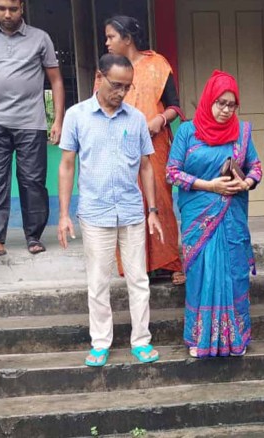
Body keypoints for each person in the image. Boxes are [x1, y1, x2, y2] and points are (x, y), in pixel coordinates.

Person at [57, 53, 162, 366]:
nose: (121, 92)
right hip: (95, 213)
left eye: (127, 87)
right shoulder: (77, 117)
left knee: (138, 280)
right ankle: (100, 343)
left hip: (131, 212)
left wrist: (153, 209)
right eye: (116, 85)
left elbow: (146, 167)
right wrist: (63, 214)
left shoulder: (136, 119)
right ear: (99, 78)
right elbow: (66, 165)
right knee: (99, 282)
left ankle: (141, 341)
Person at [166, 70, 262, 358]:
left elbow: (256, 167)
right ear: (208, 100)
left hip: (231, 217)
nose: (225, 110)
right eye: (220, 103)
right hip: (199, 218)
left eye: (231, 105)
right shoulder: (187, 131)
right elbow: (171, 172)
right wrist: (209, 185)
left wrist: (245, 182)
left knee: (234, 274)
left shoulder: (242, 132)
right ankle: (200, 337)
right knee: (200, 275)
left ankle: (236, 339)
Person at [0, 0, 65, 259]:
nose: (7, 14)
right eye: (1, 8)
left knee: (32, 182)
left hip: (31, 123)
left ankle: (34, 236)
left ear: (22, 7)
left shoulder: (40, 38)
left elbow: (55, 80)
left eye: (13, 9)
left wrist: (57, 120)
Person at [99, 15, 185, 284]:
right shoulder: (106, 69)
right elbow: (99, 106)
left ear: (128, 39)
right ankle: (136, 267)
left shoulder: (158, 65)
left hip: (155, 146)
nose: (107, 42)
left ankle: (170, 262)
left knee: (159, 200)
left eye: (111, 36)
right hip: (120, 148)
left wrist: (158, 121)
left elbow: (175, 106)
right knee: (127, 203)